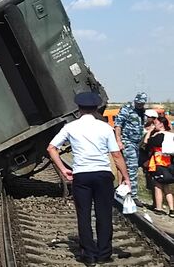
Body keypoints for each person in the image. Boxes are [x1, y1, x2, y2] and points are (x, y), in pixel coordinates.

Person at [47, 92, 130, 265]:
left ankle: (89, 256)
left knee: (83, 215)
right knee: (104, 214)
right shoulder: (105, 127)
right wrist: (125, 177)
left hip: (81, 176)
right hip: (103, 175)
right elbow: (115, 154)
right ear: (95, 109)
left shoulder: (71, 127)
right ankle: (104, 254)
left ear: (79, 108)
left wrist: (63, 169)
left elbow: (51, 148)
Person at [114, 92, 148, 205]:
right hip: (127, 142)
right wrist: (118, 140)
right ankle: (132, 195)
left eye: (142, 103)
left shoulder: (142, 111)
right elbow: (118, 125)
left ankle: (123, 191)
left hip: (136, 143)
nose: (140, 105)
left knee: (131, 168)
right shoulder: (127, 109)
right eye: (138, 103)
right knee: (132, 167)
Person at [143, 116, 174, 216]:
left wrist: (149, 132)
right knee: (167, 187)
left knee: (157, 186)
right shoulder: (171, 135)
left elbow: (146, 144)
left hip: (159, 163)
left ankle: (159, 208)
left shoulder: (159, 136)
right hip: (169, 163)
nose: (154, 125)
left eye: (155, 123)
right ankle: (172, 209)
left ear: (161, 124)